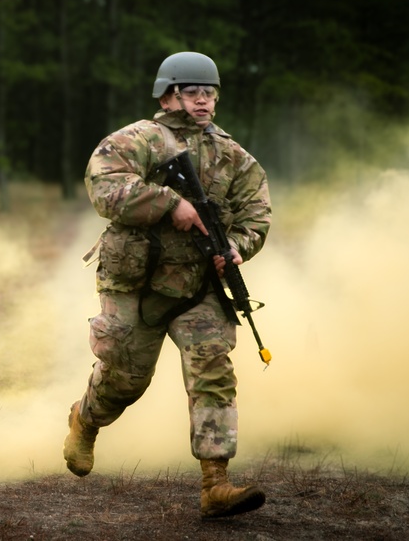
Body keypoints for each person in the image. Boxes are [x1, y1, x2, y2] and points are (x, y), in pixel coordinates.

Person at [63, 51, 271, 519]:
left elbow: (257, 213)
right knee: (125, 379)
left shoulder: (232, 156)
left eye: (210, 93)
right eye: (193, 92)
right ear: (169, 94)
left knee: (213, 369)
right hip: (136, 282)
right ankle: (85, 420)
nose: (204, 101)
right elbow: (103, 182)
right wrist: (167, 204)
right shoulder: (140, 138)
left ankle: (215, 484)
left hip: (198, 286)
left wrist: (238, 246)